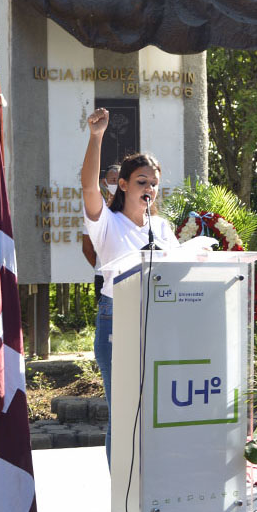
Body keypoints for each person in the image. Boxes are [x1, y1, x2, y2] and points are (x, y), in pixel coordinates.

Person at [81, 108, 175, 465]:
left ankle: (152, 484)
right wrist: (96, 137)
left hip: (159, 320)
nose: (149, 189)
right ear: (123, 184)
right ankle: (122, 493)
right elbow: (89, 186)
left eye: (153, 183)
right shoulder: (107, 222)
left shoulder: (162, 229)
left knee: (154, 408)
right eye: (141, 182)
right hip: (116, 319)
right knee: (124, 411)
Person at [82, 164, 121, 302]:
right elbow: (86, 247)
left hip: (128, 276)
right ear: (105, 182)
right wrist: (102, 265)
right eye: (112, 179)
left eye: (119, 179)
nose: (116, 183)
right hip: (103, 276)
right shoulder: (98, 209)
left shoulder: (132, 208)